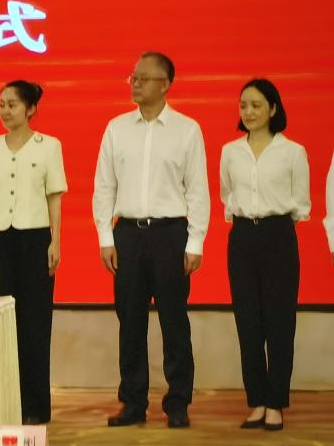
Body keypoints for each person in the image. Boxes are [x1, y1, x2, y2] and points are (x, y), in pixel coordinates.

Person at [92, 52, 209, 429]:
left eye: (144, 78)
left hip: (170, 234)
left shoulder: (187, 130)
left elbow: (198, 190)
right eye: (133, 77)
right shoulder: (116, 128)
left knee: (174, 322)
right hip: (127, 234)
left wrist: (195, 242)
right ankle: (133, 402)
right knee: (130, 321)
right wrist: (105, 237)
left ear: (166, 84)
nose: (136, 83)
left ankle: (178, 402)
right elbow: (104, 187)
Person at [0, 80, 66, 425]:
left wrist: (55, 241)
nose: (5, 111)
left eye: (12, 104)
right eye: (1, 104)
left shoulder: (49, 146)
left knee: (35, 323)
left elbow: (54, 197)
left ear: (31, 108)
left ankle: (34, 407)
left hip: (35, 239)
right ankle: (0, 402)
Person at [219, 79, 310, 431]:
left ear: (273, 108)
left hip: (278, 237)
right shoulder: (230, 151)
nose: (249, 112)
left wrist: (274, 224)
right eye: (243, 105)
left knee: (280, 323)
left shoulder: (293, 152)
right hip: (242, 237)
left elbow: (300, 204)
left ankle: (276, 403)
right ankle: (256, 400)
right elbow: (227, 194)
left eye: (256, 105)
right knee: (248, 323)